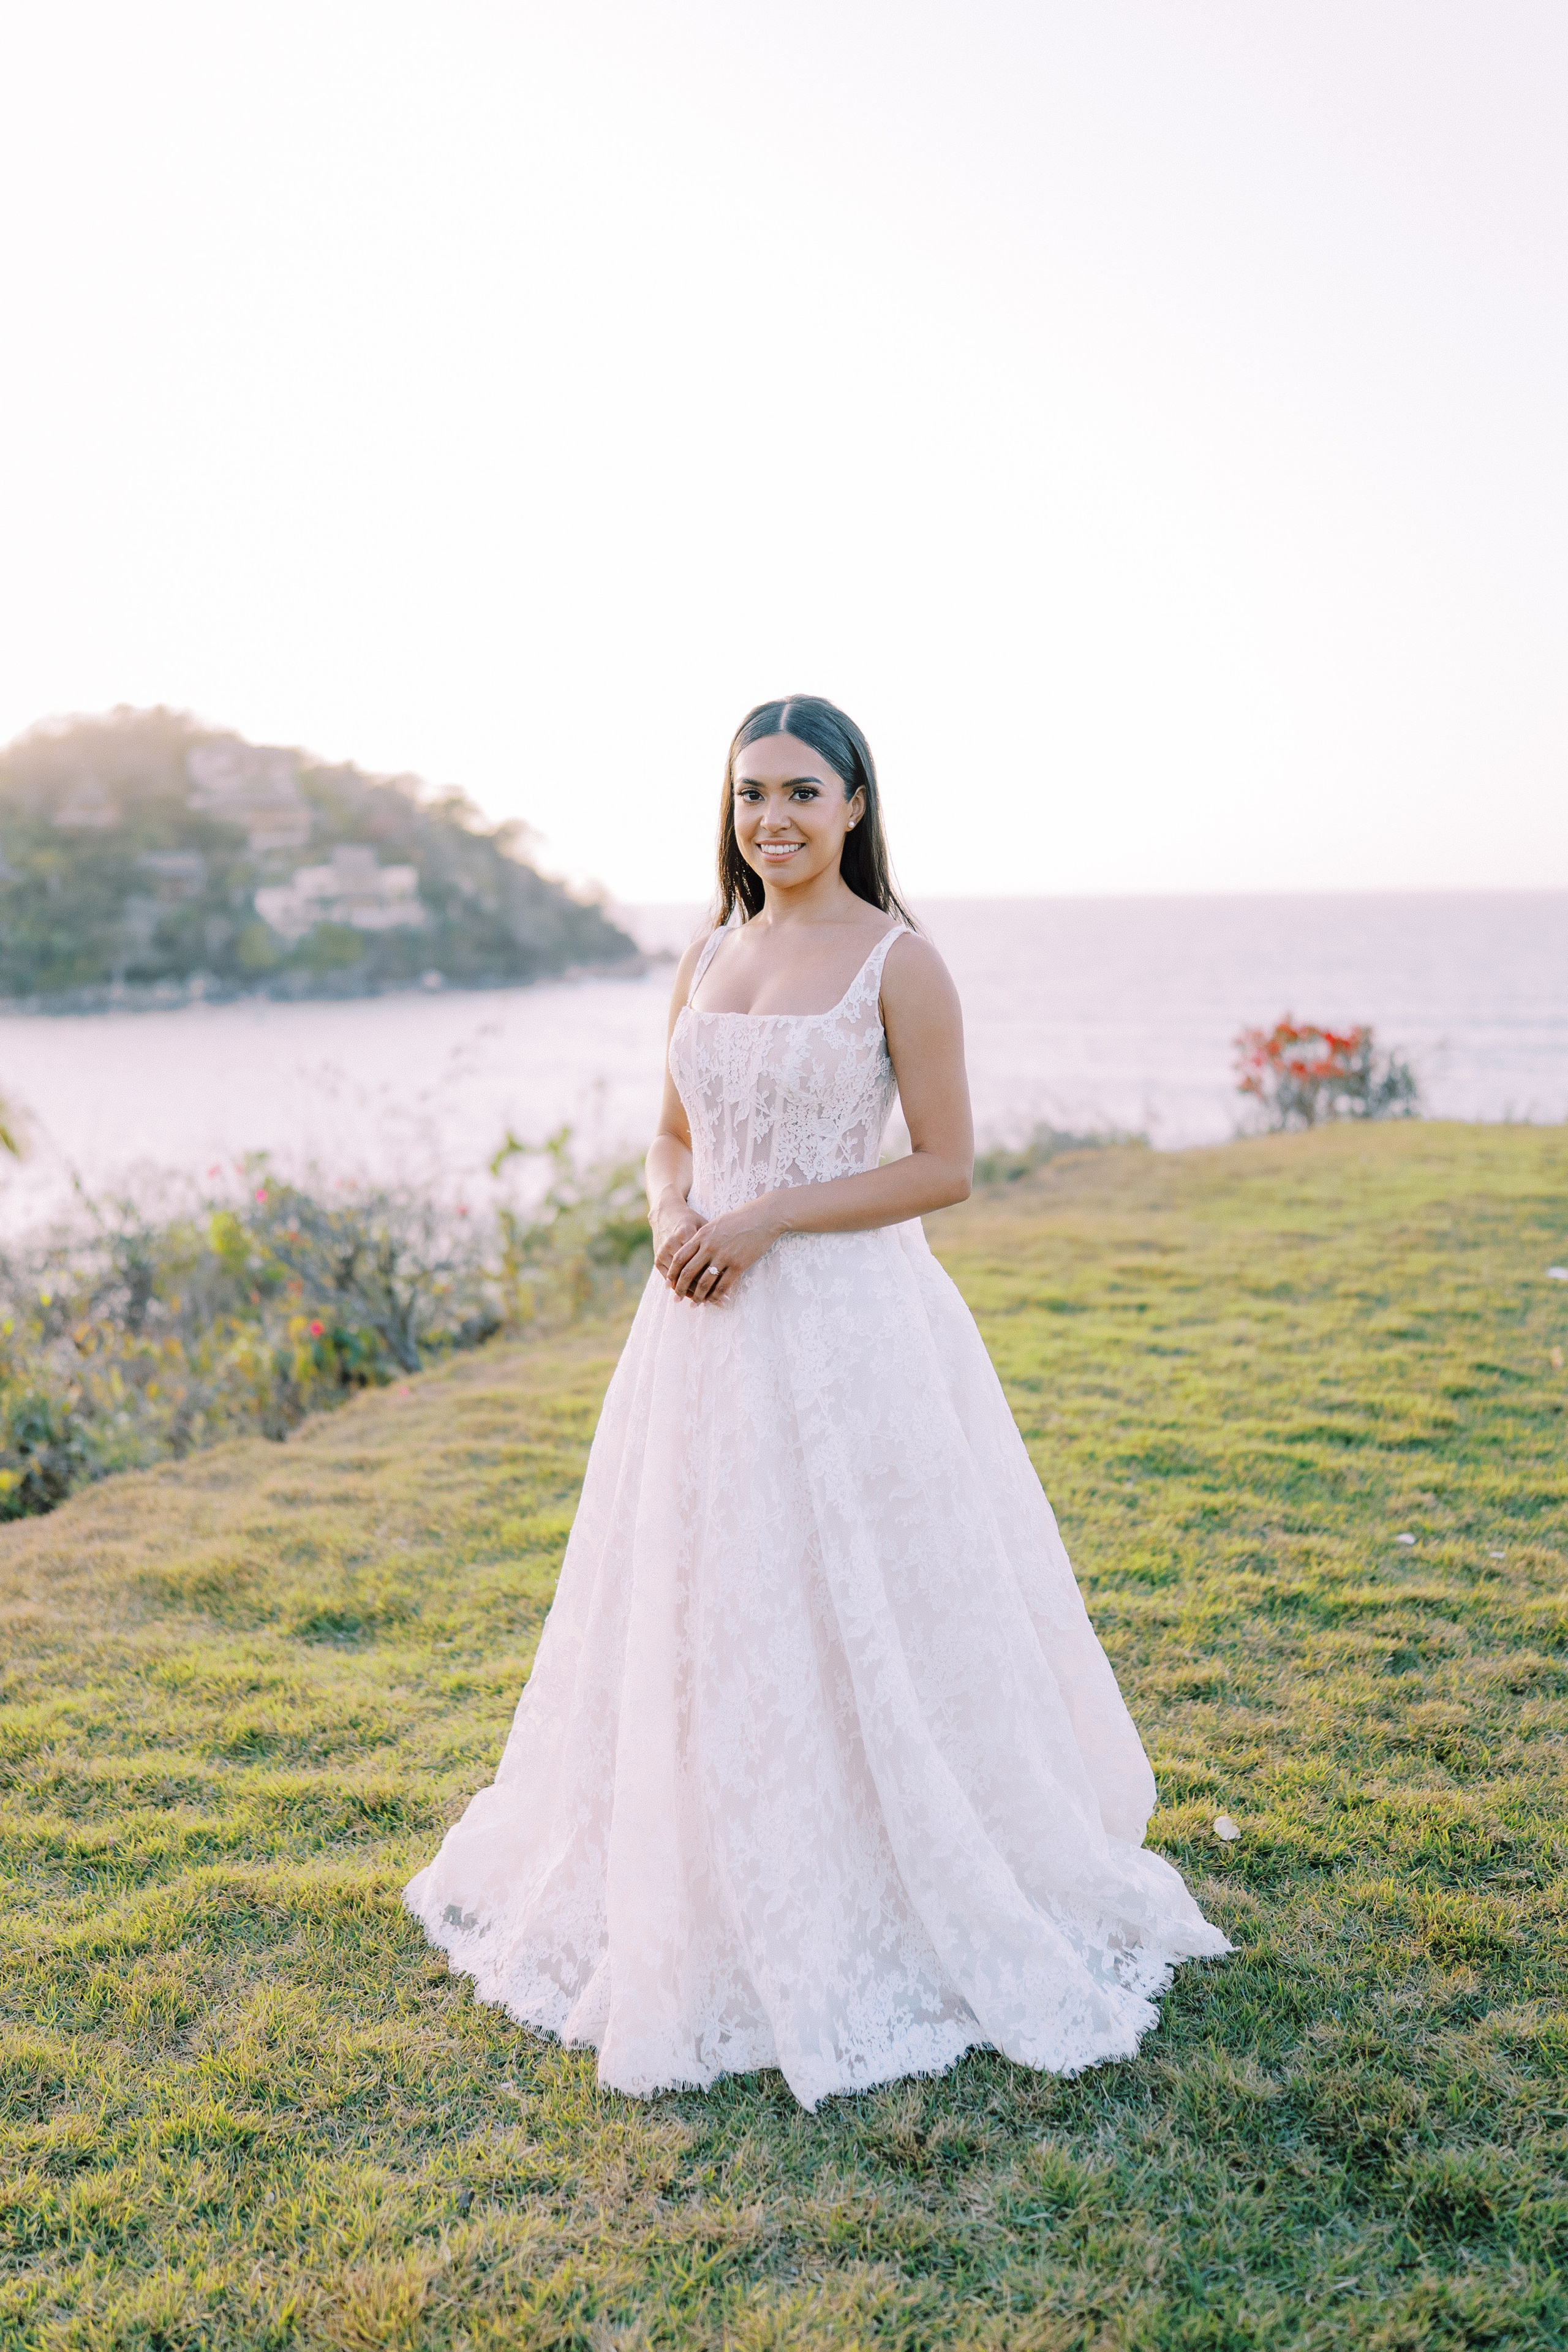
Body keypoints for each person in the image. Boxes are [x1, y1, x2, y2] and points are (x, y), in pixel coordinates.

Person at [404, 695, 1228, 2109]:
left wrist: (768, 1215)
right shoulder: (711, 951)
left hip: (846, 1328)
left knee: (858, 1593)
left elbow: (945, 1164)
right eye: (747, 796)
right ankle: (707, 1866)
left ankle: (887, 1863)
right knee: (705, 1598)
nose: (770, 820)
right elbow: (668, 1136)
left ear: (853, 804)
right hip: (699, 1326)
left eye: (799, 792)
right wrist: (676, 1216)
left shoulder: (901, 963)